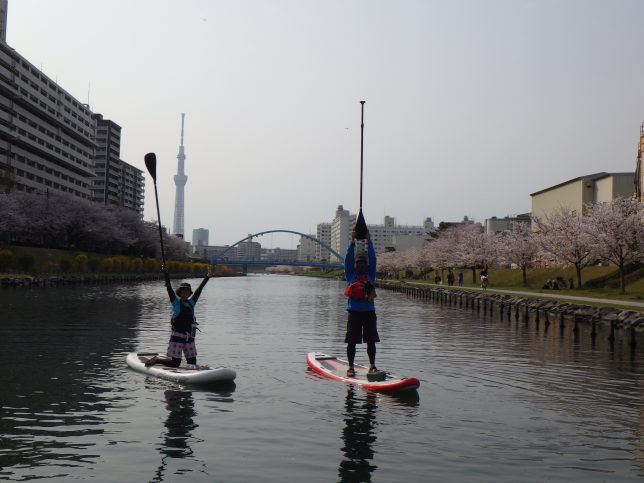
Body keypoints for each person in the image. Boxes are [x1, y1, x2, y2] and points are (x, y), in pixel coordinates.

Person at [145, 264, 212, 368]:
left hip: (189, 336)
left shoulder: (192, 302)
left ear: (190, 293)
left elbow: (200, 289)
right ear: (180, 292)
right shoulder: (175, 302)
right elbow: (169, 288)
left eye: (187, 291)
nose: (185, 292)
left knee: (192, 363)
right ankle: (157, 360)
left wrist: (207, 276)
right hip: (177, 336)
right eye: (183, 290)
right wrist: (166, 273)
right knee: (175, 363)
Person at [343, 229, 379, 378]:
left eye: (362, 263)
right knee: (352, 341)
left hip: (369, 312)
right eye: (358, 262)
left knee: (371, 341)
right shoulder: (350, 274)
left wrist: (369, 241)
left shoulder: (370, 275)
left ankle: (372, 366)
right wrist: (352, 242)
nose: (360, 265)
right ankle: (350, 367)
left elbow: (373, 258)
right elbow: (347, 258)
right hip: (354, 312)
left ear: (366, 264)